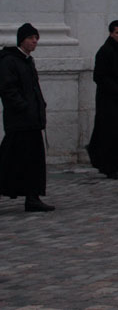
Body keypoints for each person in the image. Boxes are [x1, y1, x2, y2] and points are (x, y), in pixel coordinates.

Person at [0, 24, 53, 212]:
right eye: (31, 38)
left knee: (33, 162)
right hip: (19, 122)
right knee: (9, 160)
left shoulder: (28, 61)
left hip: (31, 121)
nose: (35, 41)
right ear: (22, 40)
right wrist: (24, 107)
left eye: (36, 38)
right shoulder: (9, 61)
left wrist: (39, 107)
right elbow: (8, 90)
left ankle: (33, 197)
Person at [86, 19, 118, 180]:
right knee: (110, 134)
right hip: (109, 102)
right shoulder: (105, 51)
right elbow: (100, 77)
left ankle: (114, 165)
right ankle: (110, 166)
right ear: (111, 33)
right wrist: (117, 91)